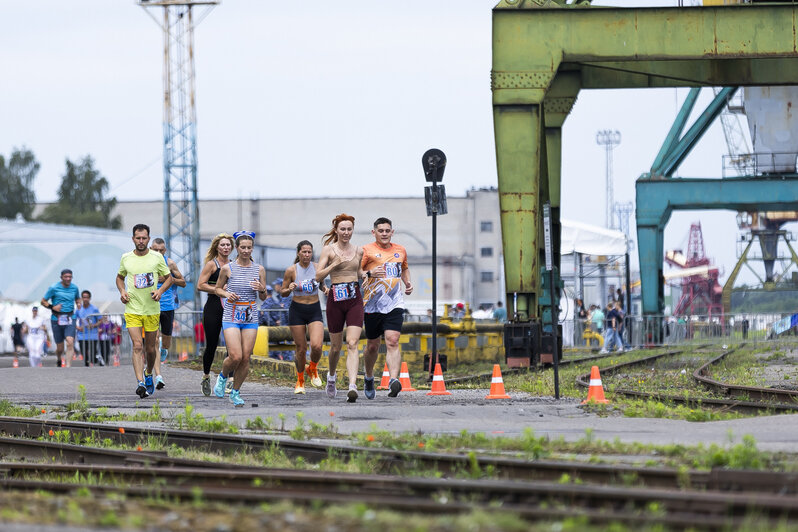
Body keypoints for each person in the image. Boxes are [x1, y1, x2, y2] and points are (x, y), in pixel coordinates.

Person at [116, 223, 173, 398]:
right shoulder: (126, 257)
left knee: (150, 349)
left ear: (148, 239)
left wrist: (160, 291)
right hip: (132, 308)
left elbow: (169, 278)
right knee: (137, 346)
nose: (141, 241)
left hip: (151, 310)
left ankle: (149, 373)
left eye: (144, 238)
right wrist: (122, 291)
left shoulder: (156, 257)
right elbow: (119, 277)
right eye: (138, 238)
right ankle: (140, 382)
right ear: (133, 239)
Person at [212, 231, 267, 407]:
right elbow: (217, 289)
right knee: (235, 356)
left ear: (252, 249)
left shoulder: (259, 269)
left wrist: (261, 288)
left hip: (250, 315)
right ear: (237, 248)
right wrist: (227, 293)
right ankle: (222, 376)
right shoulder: (228, 268)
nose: (245, 251)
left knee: (245, 358)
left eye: (249, 248)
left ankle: (235, 392)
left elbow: (264, 297)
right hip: (231, 314)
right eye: (242, 247)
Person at [361, 217, 413, 399]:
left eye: (387, 230)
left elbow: (404, 268)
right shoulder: (366, 250)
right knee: (373, 346)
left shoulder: (400, 250)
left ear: (392, 232)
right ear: (373, 232)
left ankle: (393, 380)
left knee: (392, 340)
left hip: (394, 302)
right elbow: (355, 272)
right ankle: (368, 377)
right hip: (372, 304)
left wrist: (407, 282)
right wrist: (369, 273)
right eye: (380, 230)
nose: (384, 233)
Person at [316, 213, 365, 402]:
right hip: (335, 298)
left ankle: (352, 385)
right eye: (342, 229)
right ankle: (331, 376)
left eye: (349, 229)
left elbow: (357, 271)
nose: (346, 233)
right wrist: (333, 265)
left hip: (354, 298)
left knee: (352, 343)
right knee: (336, 347)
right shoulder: (328, 250)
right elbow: (318, 276)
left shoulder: (359, 251)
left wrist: (367, 273)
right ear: (336, 230)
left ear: (353, 230)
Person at [280, 240, 327, 394]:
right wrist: (289, 288)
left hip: (314, 309)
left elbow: (321, 284)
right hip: (297, 310)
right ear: (298, 253)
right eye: (304, 252)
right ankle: (300, 381)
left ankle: (312, 368)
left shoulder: (317, 267)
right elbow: (283, 292)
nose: (307, 255)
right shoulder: (291, 270)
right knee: (301, 349)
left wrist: (325, 289)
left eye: (309, 252)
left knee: (317, 345)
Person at [197, 233, 234, 396]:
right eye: (223, 245)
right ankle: (206, 376)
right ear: (217, 248)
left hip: (231, 306)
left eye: (228, 245)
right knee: (211, 345)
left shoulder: (235, 265)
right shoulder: (211, 265)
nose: (225, 248)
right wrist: (218, 290)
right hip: (213, 306)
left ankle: (230, 379)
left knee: (232, 347)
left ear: (232, 248)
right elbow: (200, 285)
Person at [150, 237, 187, 390]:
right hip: (151, 306)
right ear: (151, 249)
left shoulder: (170, 263)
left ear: (164, 250)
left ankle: (164, 349)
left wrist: (169, 279)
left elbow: (183, 282)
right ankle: (158, 376)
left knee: (165, 342)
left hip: (167, 306)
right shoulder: (146, 263)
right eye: (155, 250)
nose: (158, 252)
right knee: (154, 341)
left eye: (161, 250)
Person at [41, 269, 80, 368]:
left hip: (70, 317)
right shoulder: (54, 288)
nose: (68, 279)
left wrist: (79, 303)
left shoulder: (75, 288)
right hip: (56, 318)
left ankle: (68, 366)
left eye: (70, 277)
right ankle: (59, 358)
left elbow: (77, 298)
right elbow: (43, 301)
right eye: (66, 277)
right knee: (60, 348)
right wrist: (52, 307)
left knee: (70, 342)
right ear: (61, 277)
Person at [75, 290, 101, 366]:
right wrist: (78, 327)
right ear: (82, 298)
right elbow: (73, 320)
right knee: (84, 353)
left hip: (92, 334)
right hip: (82, 335)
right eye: (84, 297)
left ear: (89, 298)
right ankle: (87, 366)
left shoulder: (94, 309)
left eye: (87, 297)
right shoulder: (79, 309)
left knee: (93, 353)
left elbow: (100, 320)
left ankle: (94, 360)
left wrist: (94, 325)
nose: (85, 299)